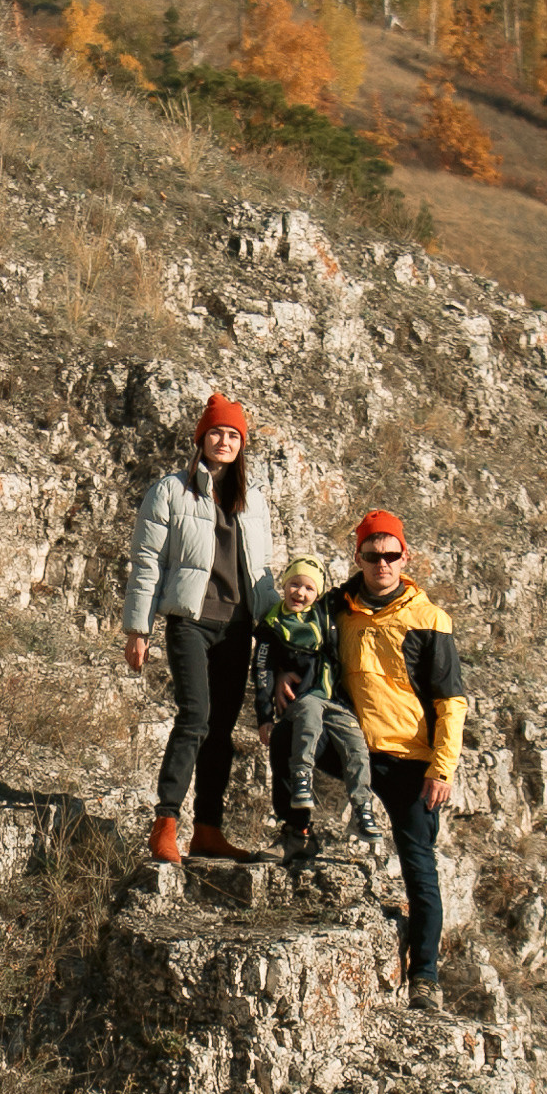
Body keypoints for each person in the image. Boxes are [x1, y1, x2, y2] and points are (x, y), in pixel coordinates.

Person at [122, 394, 278, 864]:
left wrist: (276, 632)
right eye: (216, 432)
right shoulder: (171, 490)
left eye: (233, 435)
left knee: (223, 730)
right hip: (189, 621)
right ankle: (165, 823)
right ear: (200, 438)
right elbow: (147, 561)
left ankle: (208, 831)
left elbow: (263, 570)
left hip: (237, 628)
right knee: (195, 717)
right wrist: (138, 628)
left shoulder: (254, 501)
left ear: (242, 443)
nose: (224, 441)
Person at [335, 507, 464, 1010]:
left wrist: (442, 767)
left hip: (413, 764)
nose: (382, 564)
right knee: (287, 736)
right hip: (356, 753)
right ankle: (295, 833)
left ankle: (425, 976)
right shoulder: (339, 607)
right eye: (373, 555)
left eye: (391, 555)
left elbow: (450, 701)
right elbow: (297, 637)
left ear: (404, 557)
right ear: (360, 557)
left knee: (419, 866)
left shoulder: (430, 619)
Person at [254, 551, 388, 875]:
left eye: (308, 588)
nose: (300, 593)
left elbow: (354, 585)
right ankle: (298, 816)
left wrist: (375, 557)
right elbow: (262, 671)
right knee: (299, 730)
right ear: (284, 585)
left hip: (340, 704)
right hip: (306, 702)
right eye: (294, 584)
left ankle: (362, 807)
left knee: (356, 745)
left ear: (318, 592)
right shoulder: (274, 625)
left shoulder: (325, 612)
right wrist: (264, 716)